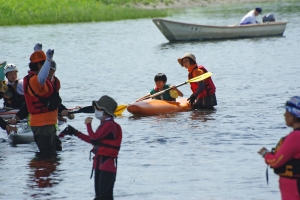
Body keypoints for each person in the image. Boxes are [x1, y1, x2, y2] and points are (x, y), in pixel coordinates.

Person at [59, 95, 122, 200]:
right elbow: (93, 140)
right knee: (98, 197)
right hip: (99, 164)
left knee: (104, 198)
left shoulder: (110, 125)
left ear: (106, 111)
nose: (96, 110)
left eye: (98, 108)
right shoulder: (103, 124)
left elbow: (94, 137)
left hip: (107, 166)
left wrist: (88, 124)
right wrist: (75, 132)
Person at [23, 44, 61, 159]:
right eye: (44, 64)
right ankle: (41, 176)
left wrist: (38, 51)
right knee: (46, 158)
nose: (47, 67)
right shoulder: (36, 80)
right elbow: (42, 77)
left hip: (47, 124)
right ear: (40, 65)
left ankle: (49, 177)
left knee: (55, 153)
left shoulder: (36, 77)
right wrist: (48, 60)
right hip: (42, 125)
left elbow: (42, 71)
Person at [258, 96, 300, 200]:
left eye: (287, 111)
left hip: (294, 189)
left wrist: (265, 153)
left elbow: (275, 161)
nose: (284, 114)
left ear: (294, 115)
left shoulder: (295, 137)